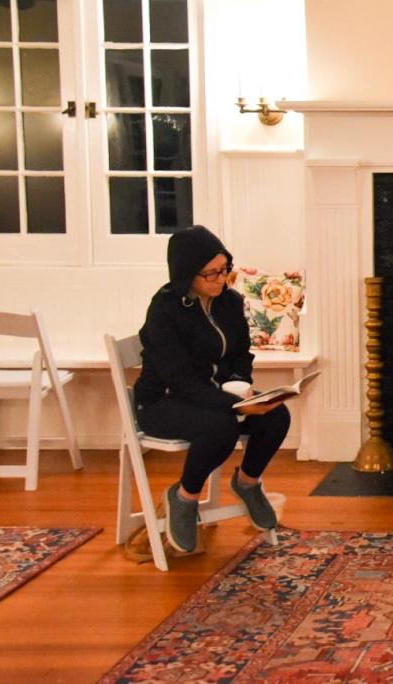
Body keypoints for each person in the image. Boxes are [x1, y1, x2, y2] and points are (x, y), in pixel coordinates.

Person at [134, 225, 291, 555]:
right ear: (188, 274)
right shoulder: (164, 310)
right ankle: (185, 497)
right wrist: (231, 404)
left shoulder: (229, 303)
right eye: (211, 274)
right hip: (162, 402)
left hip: (214, 396)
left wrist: (244, 389)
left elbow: (240, 355)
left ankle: (247, 483)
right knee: (221, 425)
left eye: (225, 270)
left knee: (276, 415)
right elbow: (179, 381)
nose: (221, 279)